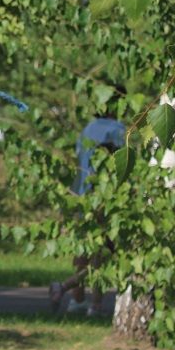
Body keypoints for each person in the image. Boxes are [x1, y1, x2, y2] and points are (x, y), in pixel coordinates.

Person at [48, 115, 126, 316]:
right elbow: (122, 162)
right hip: (103, 196)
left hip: (81, 194)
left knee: (83, 251)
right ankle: (93, 303)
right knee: (101, 254)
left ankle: (77, 299)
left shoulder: (88, 127)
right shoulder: (117, 129)